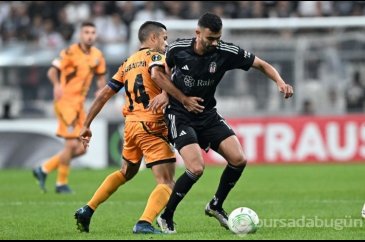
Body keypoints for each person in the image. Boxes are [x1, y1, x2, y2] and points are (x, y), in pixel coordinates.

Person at [152, 13, 294, 233]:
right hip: (180, 114)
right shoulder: (177, 49)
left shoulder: (225, 52)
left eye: (218, 37)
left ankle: (215, 205)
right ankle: (166, 216)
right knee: (196, 168)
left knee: (239, 159)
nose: (215, 42)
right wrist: (176, 96)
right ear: (198, 33)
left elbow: (261, 64)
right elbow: (160, 73)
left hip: (207, 114)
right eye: (211, 38)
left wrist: (280, 82)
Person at [74, 21, 203, 234]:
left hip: (131, 125)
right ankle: (144, 222)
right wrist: (166, 93)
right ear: (152, 39)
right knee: (167, 182)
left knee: (126, 171)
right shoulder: (156, 57)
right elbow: (156, 74)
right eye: (164, 38)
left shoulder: (128, 62)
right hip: (152, 123)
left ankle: (88, 209)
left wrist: (86, 125)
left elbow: (104, 94)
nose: (166, 43)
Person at [32, 22, 106, 194]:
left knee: (81, 148)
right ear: (81, 34)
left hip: (79, 104)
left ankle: (44, 169)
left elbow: (101, 77)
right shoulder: (69, 51)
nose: (90, 35)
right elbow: (52, 71)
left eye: (93, 32)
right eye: (86, 32)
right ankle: (61, 184)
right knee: (71, 144)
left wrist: (100, 90)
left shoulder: (97, 55)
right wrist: (57, 85)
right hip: (65, 101)